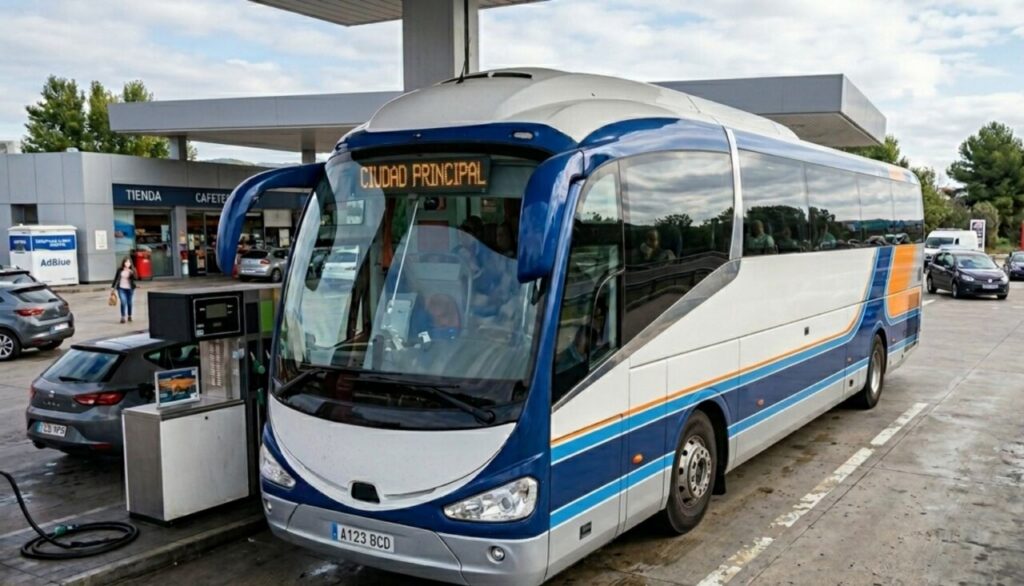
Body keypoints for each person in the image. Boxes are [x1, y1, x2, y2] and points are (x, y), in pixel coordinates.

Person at [110, 256, 138, 324]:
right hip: (121, 288)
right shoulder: (120, 269)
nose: (127, 264)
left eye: (128, 262)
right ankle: (122, 317)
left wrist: (131, 272)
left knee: (129, 302)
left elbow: (136, 278)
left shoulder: (133, 270)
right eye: (126, 262)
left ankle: (129, 315)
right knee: (123, 302)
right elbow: (116, 278)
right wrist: (112, 287)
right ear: (123, 263)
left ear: (130, 263)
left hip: (130, 289)